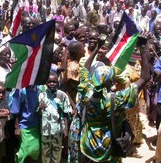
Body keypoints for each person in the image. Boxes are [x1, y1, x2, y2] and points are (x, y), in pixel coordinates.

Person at [72, 32, 150, 162]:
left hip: (88, 145)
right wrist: (143, 48)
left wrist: (97, 48)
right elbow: (145, 77)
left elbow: (84, 70)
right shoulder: (117, 98)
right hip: (107, 147)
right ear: (111, 82)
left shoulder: (87, 92)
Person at [38, 72, 72, 163]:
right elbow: (37, 113)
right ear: (46, 83)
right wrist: (40, 108)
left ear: (58, 82)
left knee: (57, 150)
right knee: (45, 151)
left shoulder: (62, 95)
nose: (52, 84)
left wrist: (66, 129)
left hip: (58, 129)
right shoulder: (42, 95)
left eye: (54, 82)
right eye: (49, 82)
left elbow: (66, 113)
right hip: (45, 130)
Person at [10, 85, 41, 163]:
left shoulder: (39, 89)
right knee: (23, 151)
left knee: (34, 149)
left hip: (35, 124)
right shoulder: (21, 90)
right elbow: (16, 109)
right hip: (24, 125)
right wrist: (17, 127)